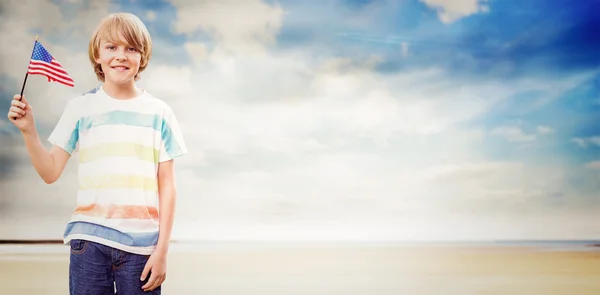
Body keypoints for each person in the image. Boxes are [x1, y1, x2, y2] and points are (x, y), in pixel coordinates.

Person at [6, 12, 186, 294]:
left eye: (131, 48)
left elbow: (168, 187)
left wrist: (162, 251)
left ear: (142, 56)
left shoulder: (160, 113)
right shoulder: (80, 108)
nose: (121, 56)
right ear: (98, 55)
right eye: (111, 47)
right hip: (88, 243)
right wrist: (29, 131)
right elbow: (50, 171)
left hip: (142, 249)